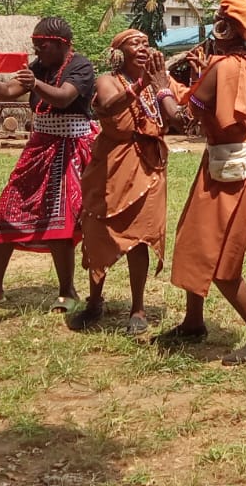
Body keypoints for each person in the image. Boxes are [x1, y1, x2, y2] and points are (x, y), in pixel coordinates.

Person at [159, 0, 246, 364]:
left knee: (224, 260)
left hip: (233, 167)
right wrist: (196, 78)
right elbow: (209, 103)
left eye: (219, 24)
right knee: (195, 238)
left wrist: (160, 83)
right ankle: (193, 321)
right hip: (236, 160)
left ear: (226, 31)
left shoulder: (223, 66)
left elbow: (182, 117)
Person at [0, 17, 98, 311]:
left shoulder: (81, 66)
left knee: (59, 219)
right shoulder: (39, 67)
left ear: (61, 44)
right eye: (35, 46)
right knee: (7, 209)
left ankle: (68, 292)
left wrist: (34, 83)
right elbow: (8, 91)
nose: (37, 51)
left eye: (42, 46)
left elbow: (64, 98)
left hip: (70, 148)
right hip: (39, 147)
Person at [68, 30, 185, 333]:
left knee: (141, 237)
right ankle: (94, 302)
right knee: (98, 233)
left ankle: (138, 309)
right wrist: (142, 84)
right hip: (110, 166)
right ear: (119, 52)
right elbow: (108, 106)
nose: (143, 47)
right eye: (135, 43)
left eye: (146, 43)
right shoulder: (107, 80)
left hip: (149, 167)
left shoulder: (161, 80)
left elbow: (181, 110)